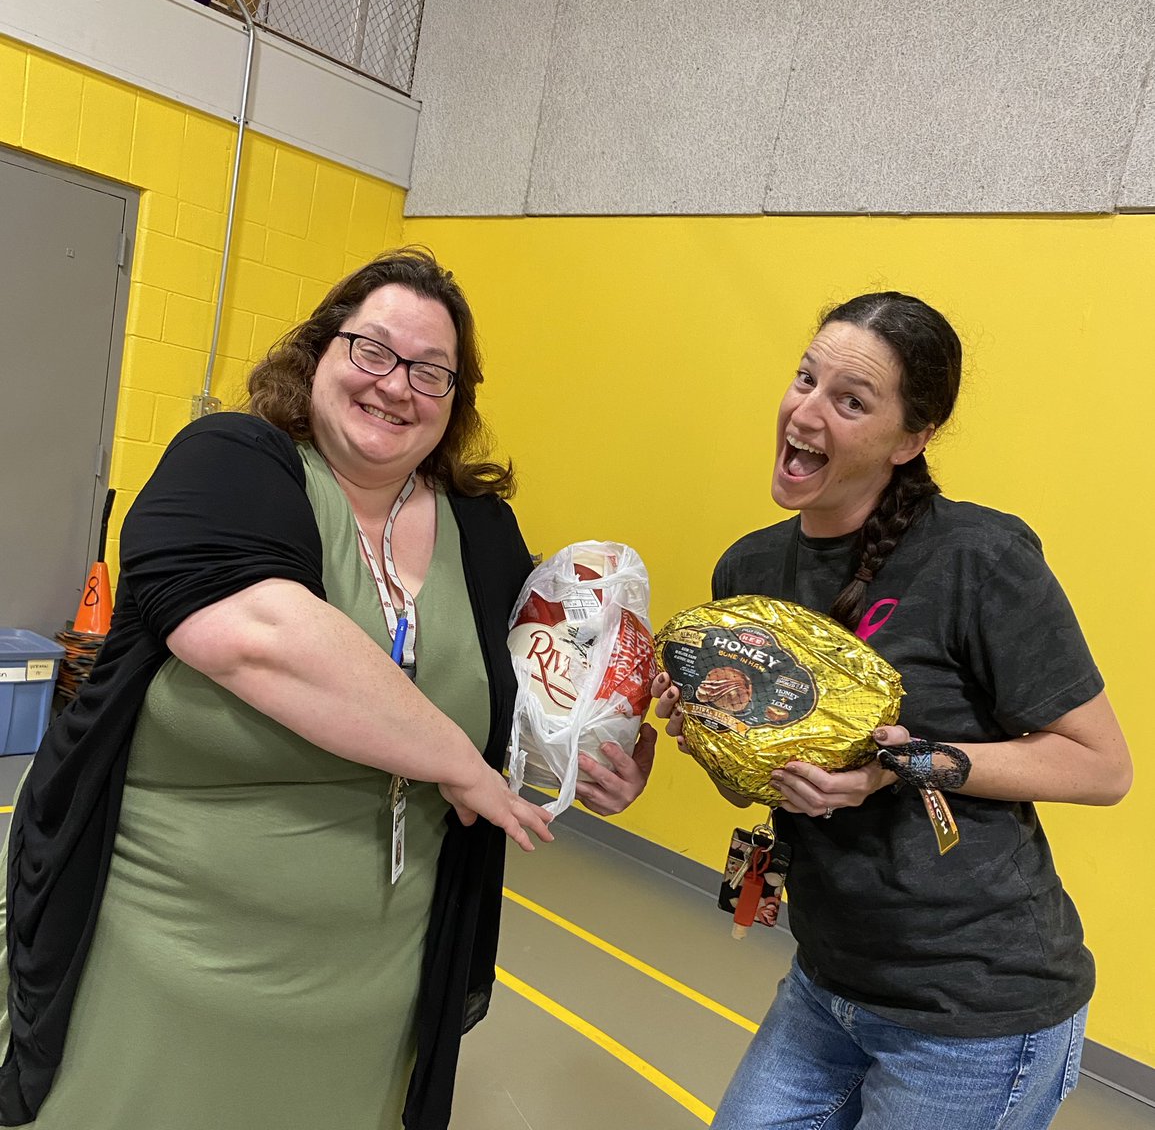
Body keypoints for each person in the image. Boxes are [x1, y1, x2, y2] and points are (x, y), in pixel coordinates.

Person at [0, 246, 655, 1130]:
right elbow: (259, 639)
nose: (396, 386)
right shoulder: (231, 462)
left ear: (456, 401)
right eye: (372, 350)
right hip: (170, 956)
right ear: (318, 353)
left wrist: (592, 759)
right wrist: (459, 765)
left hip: (377, 983)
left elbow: (521, 702)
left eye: (432, 371)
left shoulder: (483, 532)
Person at [652, 292, 1131, 1130]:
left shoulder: (977, 557)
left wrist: (899, 766)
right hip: (826, 981)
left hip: (974, 1010)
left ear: (911, 440)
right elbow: (760, 786)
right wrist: (710, 744)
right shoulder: (750, 570)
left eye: (850, 399)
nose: (805, 411)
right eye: (805, 378)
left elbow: (1100, 766)